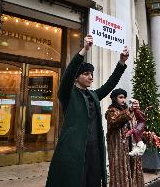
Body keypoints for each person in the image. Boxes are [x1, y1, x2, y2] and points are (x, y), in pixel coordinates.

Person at [45, 35, 129, 187]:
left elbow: (110, 84)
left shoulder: (94, 95)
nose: (90, 77)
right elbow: (67, 76)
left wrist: (121, 62)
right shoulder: (68, 94)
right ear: (77, 78)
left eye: (91, 74)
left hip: (95, 149)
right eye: (86, 74)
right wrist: (84, 50)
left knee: (94, 181)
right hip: (74, 150)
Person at [105, 88, 144, 187]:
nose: (123, 100)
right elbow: (115, 122)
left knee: (132, 172)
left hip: (131, 147)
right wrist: (130, 110)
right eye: (120, 97)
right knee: (120, 175)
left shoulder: (129, 111)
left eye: (124, 98)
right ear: (115, 99)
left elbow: (137, 125)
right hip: (119, 150)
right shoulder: (111, 111)